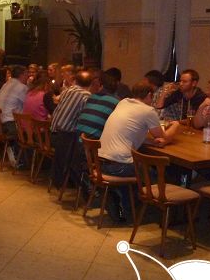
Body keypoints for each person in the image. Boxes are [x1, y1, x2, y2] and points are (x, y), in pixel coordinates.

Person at [99, 81, 179, 220]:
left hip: (101, 161)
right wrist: (176, 125)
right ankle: (169, 214)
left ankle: (129, 205)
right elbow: (163, 137)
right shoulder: (147, 111)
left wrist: (149, 141)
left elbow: (129, 132)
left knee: (145, 167)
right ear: (149, 95)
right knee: (158, 175)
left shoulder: (123, 102)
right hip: (119, 166)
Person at [50, 70, 93, 187]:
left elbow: (57, 100)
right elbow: (84, 117)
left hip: (54, 132)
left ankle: (60, 181)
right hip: (66, 135)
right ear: (91, 83)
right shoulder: (86, 96)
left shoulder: (68, 90)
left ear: (76, 81)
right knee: (83, 148)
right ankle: (76, 182)